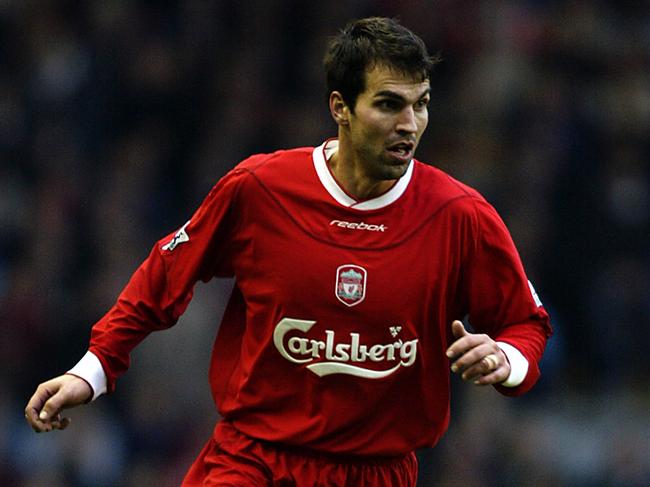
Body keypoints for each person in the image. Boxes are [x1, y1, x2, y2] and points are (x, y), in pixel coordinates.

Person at [25, 16, 552, 486]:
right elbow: (166, 271)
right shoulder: (261, 187)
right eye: (389, 105)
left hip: (379, 472)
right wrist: (92, 369)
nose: (409, 125)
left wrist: (504, 360)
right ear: (340, 108)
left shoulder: (460, 216)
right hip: (254, 460)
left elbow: (527, 324)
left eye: (422, 105)